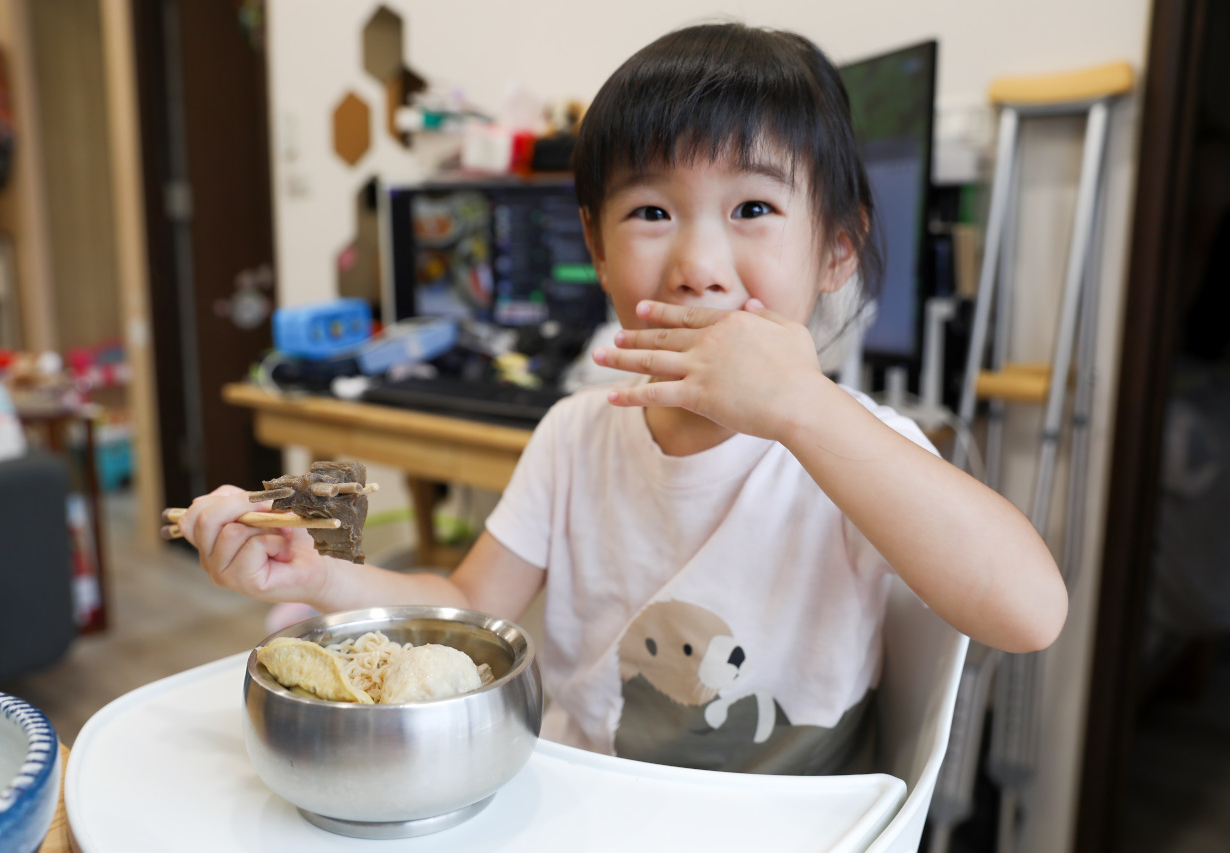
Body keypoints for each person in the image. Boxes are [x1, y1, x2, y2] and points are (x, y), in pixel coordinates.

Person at [180, 22, 1066, 775]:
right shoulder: (574, 436)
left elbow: (1029, 613)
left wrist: (802, 407)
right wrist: (317, 573)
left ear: (837, 250)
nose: (698, 266)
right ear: (597, 252)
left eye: (753, 207)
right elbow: (465, 605)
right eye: (650, 213)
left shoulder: (854, 445)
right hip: (585, 803)